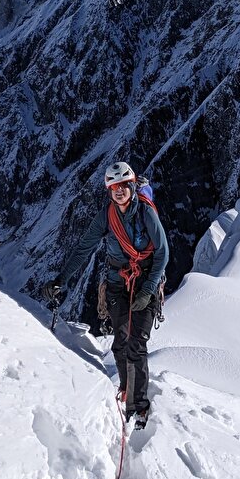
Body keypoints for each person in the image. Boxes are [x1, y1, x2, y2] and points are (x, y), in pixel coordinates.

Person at [45, 162, 168, 423]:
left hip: (145, 282)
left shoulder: (146, 213)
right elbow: (83, 248)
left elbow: (163, 252)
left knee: (136, 343)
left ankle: (138, 408)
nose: (119, 191)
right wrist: (61, 280)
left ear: (133, 187)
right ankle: (127, 390)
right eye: (114, 187)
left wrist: (147, 290)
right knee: (121, 342)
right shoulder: (107, 216)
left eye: (124, 186)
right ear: (109, 191)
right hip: (116, 284)